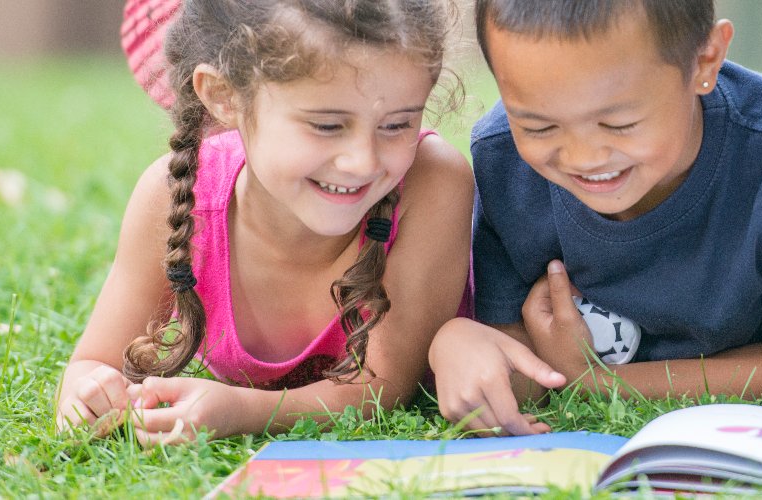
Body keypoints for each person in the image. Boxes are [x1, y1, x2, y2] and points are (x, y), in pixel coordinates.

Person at [430, 0, 762, 436]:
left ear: (705, 60)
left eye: (620, 123)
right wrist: (460, 345)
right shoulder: (504, 157)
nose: (584, 157)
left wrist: (596, 383)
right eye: (539, 127)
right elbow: (525, 378)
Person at [55, 0, 475, 445]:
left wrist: (242, 411)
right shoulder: (175, 196)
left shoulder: (432, 182)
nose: (363, 162)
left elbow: (382, 389)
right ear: (224, 96)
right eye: (327, 125)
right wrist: (89, 395)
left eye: (396, 125)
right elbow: (93, 363)